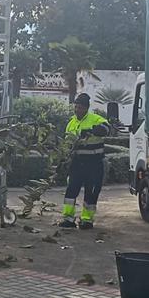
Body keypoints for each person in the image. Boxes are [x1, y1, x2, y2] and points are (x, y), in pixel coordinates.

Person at [61, 93, 111, 230]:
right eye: (76, 107)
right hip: (77, 164)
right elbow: (66, 145)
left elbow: (107, 129)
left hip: (94, 164)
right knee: (71, 191)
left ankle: (87, 220)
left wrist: (90, 131)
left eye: (80, 107)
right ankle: (68, 219)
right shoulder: (71, 123)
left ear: (86, 108)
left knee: (91, 192)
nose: (77, 110)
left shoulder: (96, 119)